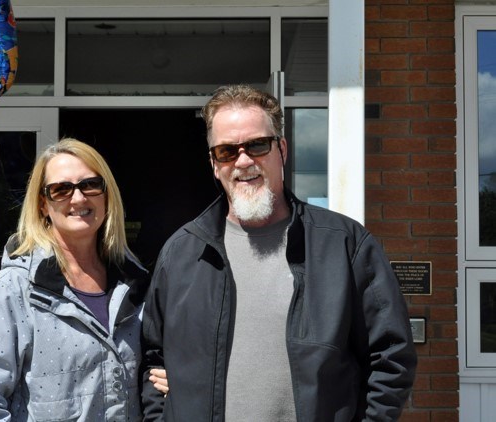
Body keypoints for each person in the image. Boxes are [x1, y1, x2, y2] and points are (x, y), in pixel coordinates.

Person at [141, 85, 417, 421]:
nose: (244, 161)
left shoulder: (344, 244)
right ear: (214, 164)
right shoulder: (182, 253)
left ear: (282, 150)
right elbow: (153, 360)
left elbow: (391, 358)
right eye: (227, 151)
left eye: (257, 145)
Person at [0, 138, 167, 421]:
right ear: (42, 204)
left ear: (106, 195)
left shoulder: (136, 286)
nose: (78, 198)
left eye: (90, 184)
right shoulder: (10, 291)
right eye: (61, 189)